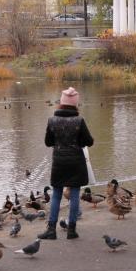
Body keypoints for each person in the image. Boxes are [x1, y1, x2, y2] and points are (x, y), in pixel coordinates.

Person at [38, 87, 94, 240]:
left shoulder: (52, 121)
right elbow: (89, 141)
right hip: (76, 161)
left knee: (56, 195)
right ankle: (71, 230)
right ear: (75, 104)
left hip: (59, 162)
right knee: (74, 194)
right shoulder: (79, 120)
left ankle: (51, 230)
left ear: (61, 103)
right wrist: (78, 141)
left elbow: (48, 142)